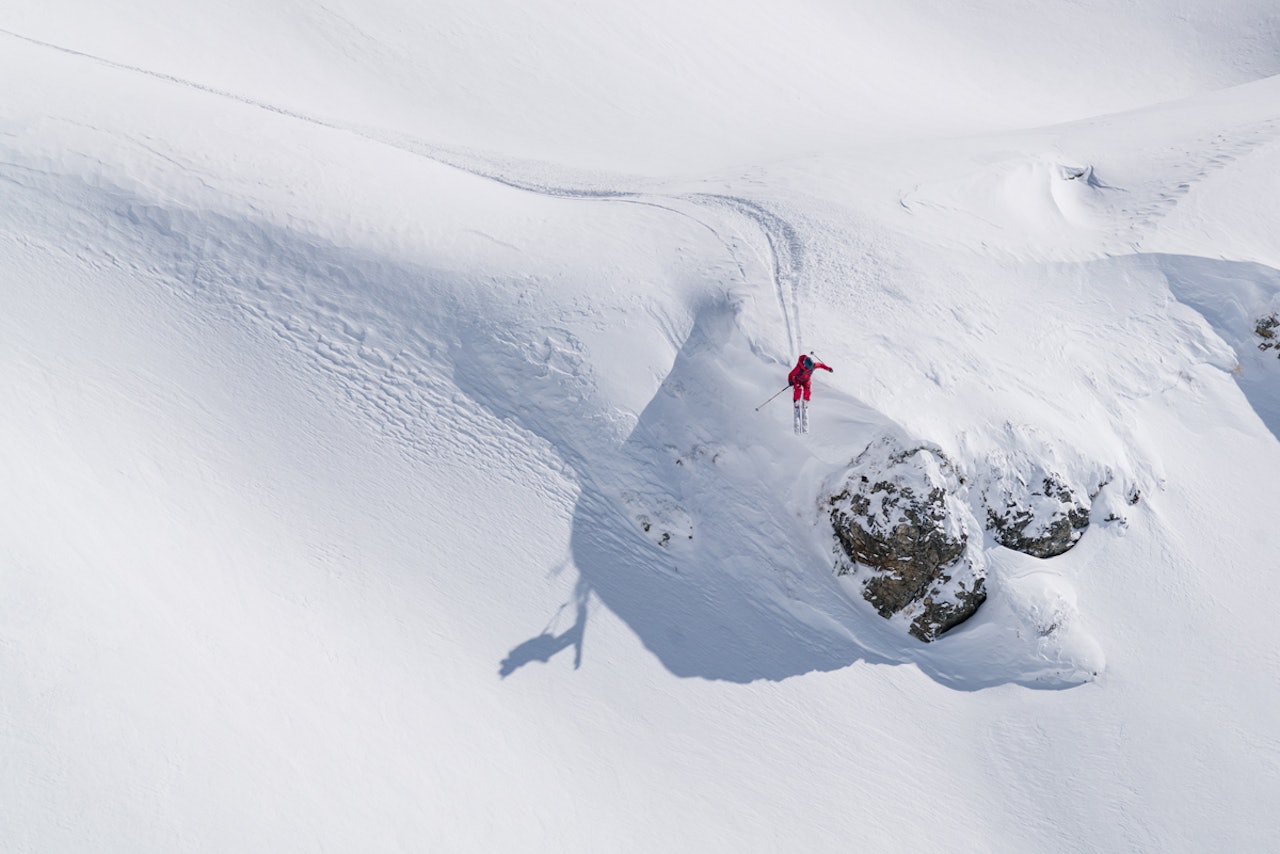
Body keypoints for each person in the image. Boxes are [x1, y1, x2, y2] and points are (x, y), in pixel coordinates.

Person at [787, 354, 833, 434]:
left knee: (807, 390)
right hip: (798, 380)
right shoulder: (799, 368)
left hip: (806, 381)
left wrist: (828, 368)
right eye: (809, 368)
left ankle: (805, 401)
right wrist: (790, 381)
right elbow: (791, 374)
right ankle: (796, 402)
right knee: (798, 389)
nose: (810, 369)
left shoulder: (813, 366)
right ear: (805, 365)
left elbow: (820, 365)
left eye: (811, 368)